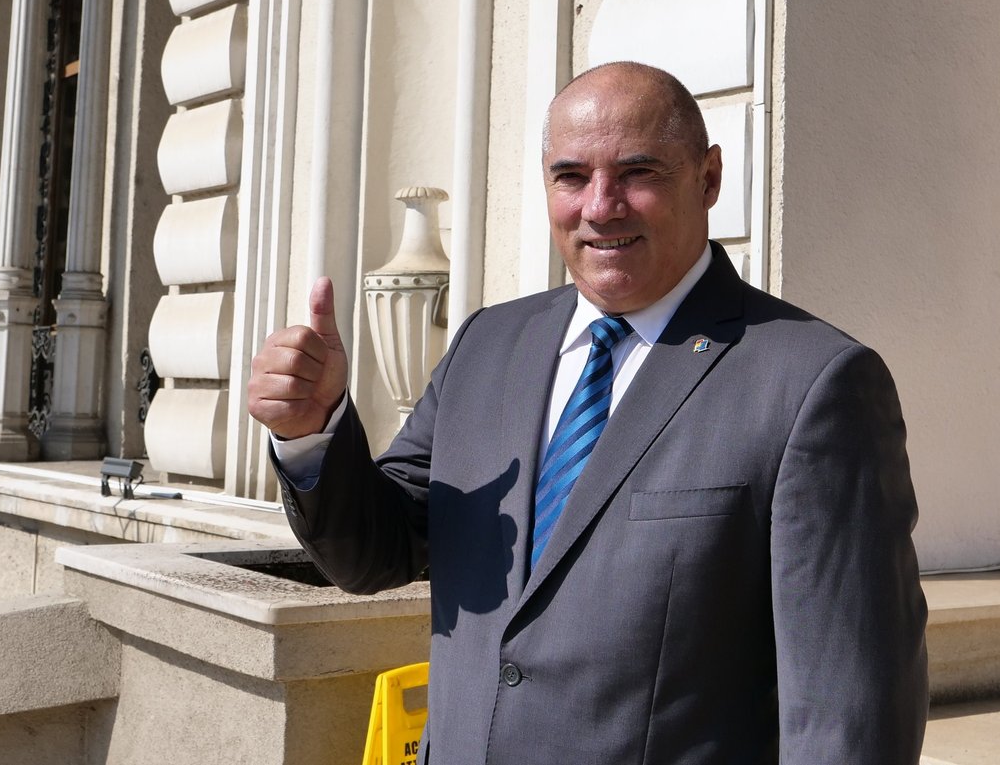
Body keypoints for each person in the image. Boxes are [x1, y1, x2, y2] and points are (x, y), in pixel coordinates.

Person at [248, 61, 927, 764]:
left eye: (638, 172)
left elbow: (850, 721)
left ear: (710, 178)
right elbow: (376, 551)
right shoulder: (485, 347)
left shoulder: (813, 384)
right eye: (571, 176)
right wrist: (314, 432)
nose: (601, 206)